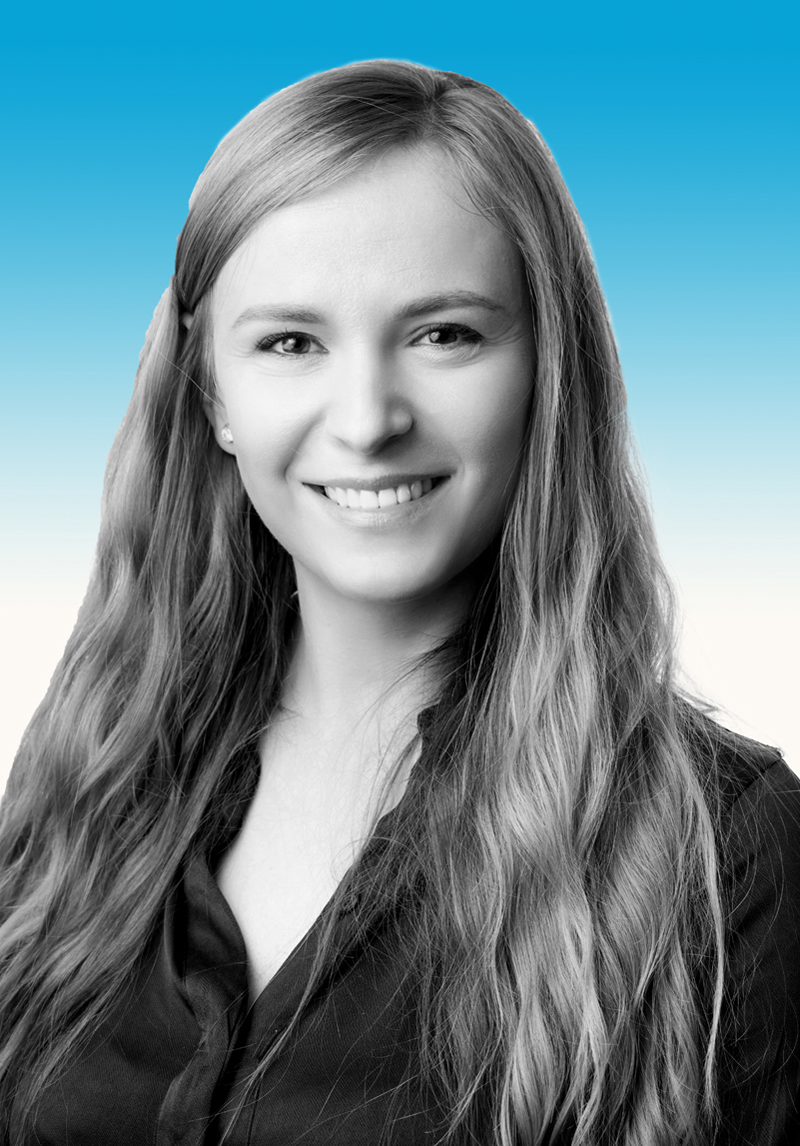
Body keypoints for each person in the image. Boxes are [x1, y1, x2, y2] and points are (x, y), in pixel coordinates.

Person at [0, 60, 797, 1146]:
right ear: (212, 394)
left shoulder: (726, 851)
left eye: (443, 334)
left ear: (547, 368)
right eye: (291, 343)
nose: (368, 418)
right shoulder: (92, 774)